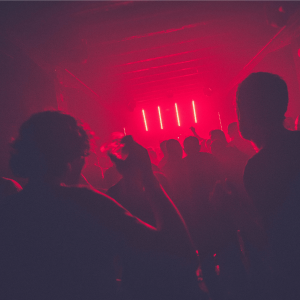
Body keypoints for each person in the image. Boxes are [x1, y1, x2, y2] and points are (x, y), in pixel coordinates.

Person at [0, 110, 202, 300]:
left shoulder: (8, 210)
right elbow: (180, 252)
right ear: (71, 156)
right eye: (82, 154)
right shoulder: (86, 204)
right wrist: (146, 175)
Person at [236, 72, 300, 299]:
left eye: (240, 107)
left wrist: (231, 208)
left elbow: (269, 241)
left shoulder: (260, 165)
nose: (238, 116)